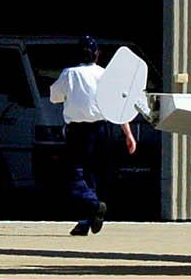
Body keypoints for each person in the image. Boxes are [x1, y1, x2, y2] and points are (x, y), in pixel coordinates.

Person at [48, 36, 136, 237]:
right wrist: (128, 134)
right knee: (93, 175)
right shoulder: (105, 75)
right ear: (97, 54)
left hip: (78, 131)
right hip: (102, 130)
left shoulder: (69, 74)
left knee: (72, 174)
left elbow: (54, 97)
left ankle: (93, 206)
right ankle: (85, 220)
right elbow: (118, 105)